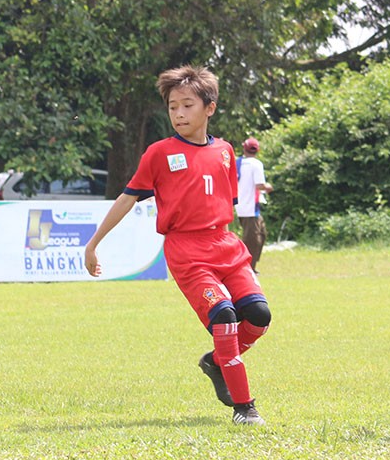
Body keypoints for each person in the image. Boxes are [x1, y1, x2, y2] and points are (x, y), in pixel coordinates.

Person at [84, 65, 272, 426]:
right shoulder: (158, 153)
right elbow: (127, 198)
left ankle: (216, 362)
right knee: (225, 317)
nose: (179, 114)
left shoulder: (225, 152)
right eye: (173, 107)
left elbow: (224, 204)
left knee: (259, 317)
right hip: (187, 251)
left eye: (187, 105)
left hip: (226, 245)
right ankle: (245, 408)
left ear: (210, 108)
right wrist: (94, 244)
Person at [236, 137, 274, 273]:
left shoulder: (237, 163)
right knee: (253, 239)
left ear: (244, 148)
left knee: (261, 234)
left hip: (242, 206)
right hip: (250, 207)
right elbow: (260, 185)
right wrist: (269, 187)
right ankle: (247, 268)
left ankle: (250, 266)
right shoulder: (256, 164)